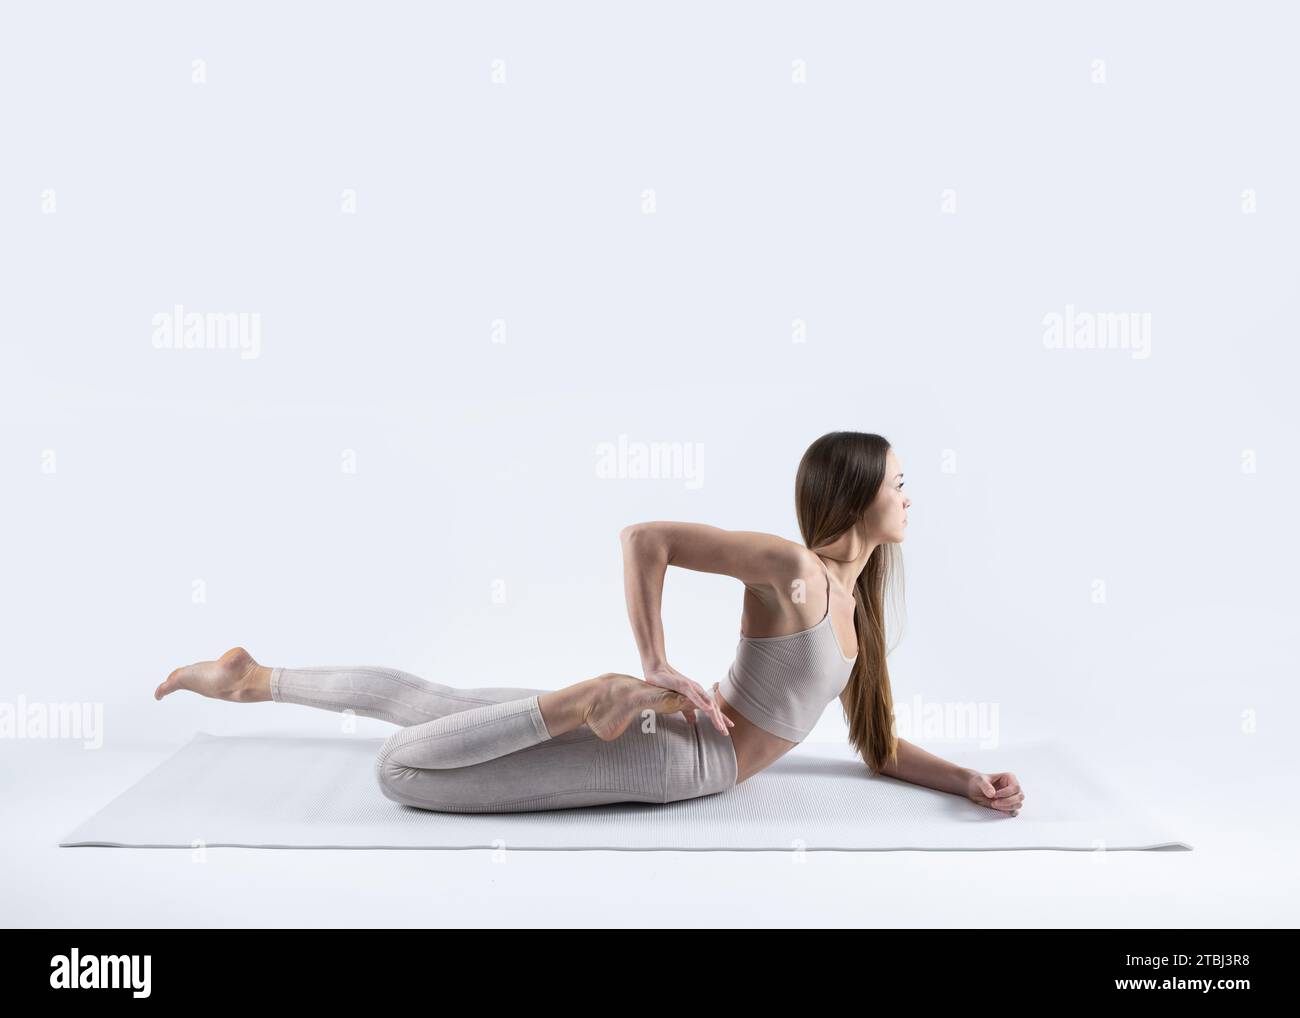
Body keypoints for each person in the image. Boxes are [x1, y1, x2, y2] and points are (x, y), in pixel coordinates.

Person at [155, 430, 1023, 816]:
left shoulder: (855, 618)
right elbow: (644, 537)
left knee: (437, 704)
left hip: (668, 726)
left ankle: (254, 678)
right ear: (854, 491)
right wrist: (657, 659)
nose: (910, 497)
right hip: (681, 756)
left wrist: (967, 781)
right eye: (898, 481)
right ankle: (582, 700)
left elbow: (877, 746)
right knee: (403, 778)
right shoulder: (796, 573)